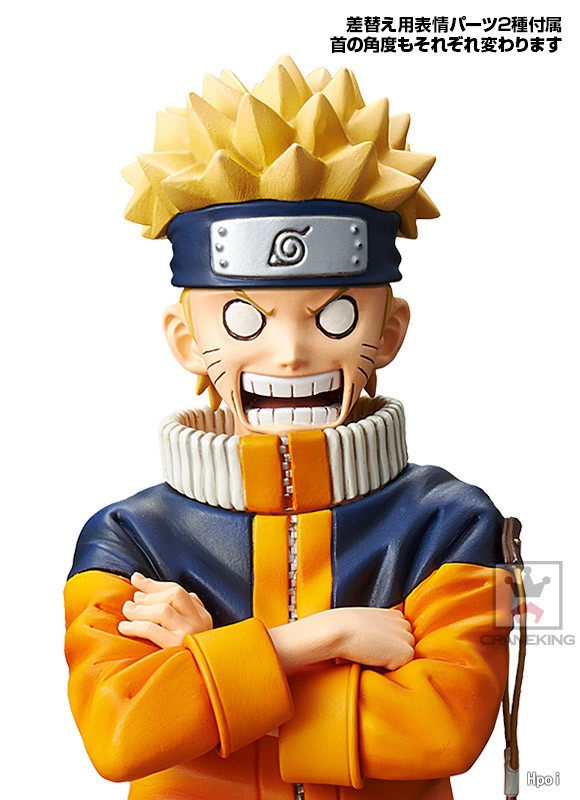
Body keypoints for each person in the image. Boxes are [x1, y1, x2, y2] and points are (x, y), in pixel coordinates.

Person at [65, 56, 512, 800]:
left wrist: (212, 669)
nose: (292, 353)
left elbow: (440, 728)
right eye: (245, 319)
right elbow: (122, 735)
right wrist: (316, 640)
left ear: (390, 331)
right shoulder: (127, 536)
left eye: (334, 316)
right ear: (185, 339)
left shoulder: (451, 522)